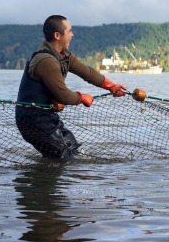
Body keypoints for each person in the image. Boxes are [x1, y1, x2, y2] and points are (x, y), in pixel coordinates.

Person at [16, 15, 127, 159]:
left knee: (73, 150)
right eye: (69, 31)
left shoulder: (64, 56)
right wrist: (82, 97)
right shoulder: (46, 61)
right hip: (32, 122)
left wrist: (111, 86)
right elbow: (64, 95)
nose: (72, 35)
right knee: (66, 156)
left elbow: (88, 73)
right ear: (57, 35)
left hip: (47, 117)